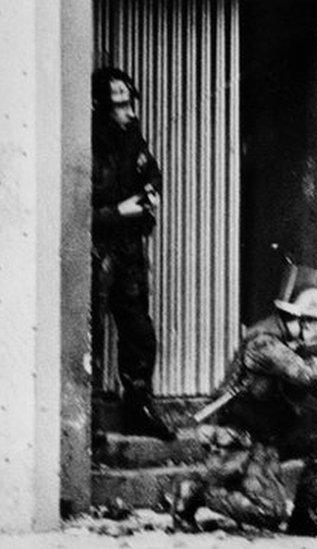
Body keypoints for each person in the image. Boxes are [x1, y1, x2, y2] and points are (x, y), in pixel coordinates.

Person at [171, 265, 317, 538]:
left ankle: (305, 515)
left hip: (273, 432)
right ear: (302, 321)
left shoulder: (296, 343)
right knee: (269, 513)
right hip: (240, 439)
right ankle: (195, 491)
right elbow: (307, 374)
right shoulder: (263, 341)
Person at [91, 67, 174, 441]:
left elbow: (150, 171)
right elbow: (74, 212)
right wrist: (115, 213)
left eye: (130, 102)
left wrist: (151, 193)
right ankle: (86, 421)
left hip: (128, 251)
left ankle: (138, 409)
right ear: (101, 107)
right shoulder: (87, 147)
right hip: (97, 250)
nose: (130, 111)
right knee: (86, 334)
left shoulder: (132, 140)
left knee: (139, 331)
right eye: (120, 105)